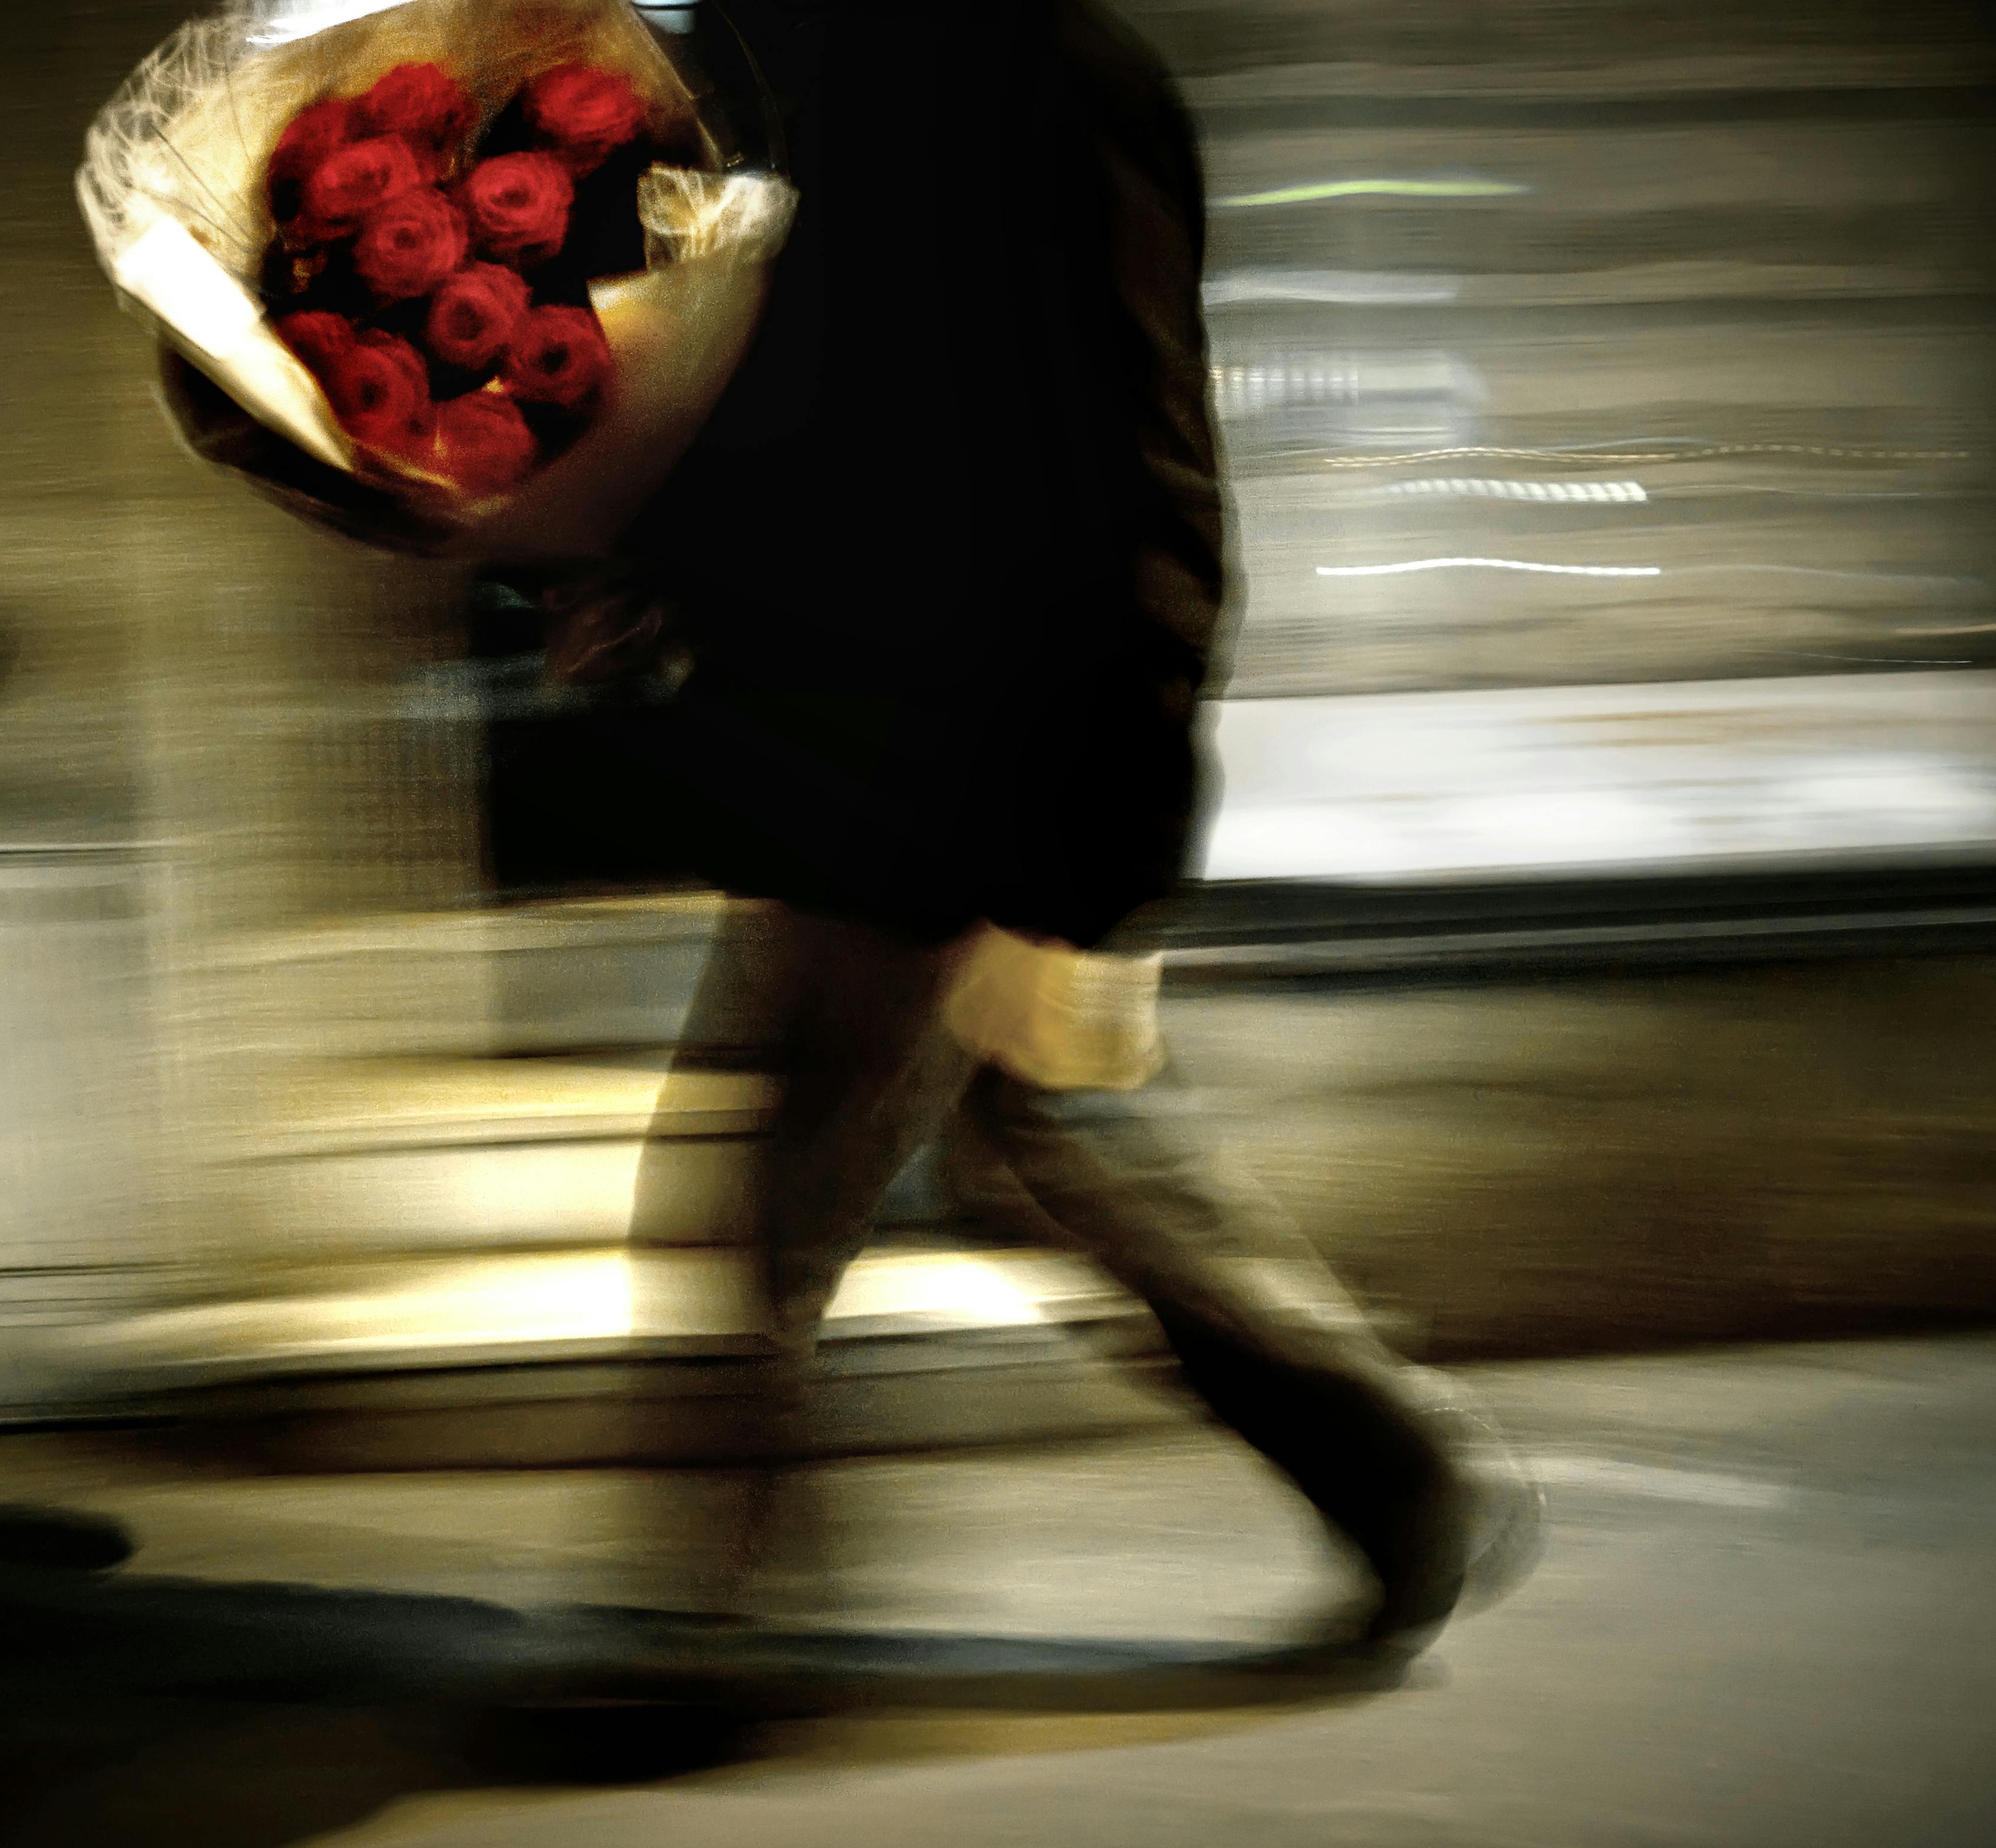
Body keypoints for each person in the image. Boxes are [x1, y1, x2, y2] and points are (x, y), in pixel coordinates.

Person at [589, 0, 1529, 1652]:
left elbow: (1139, 468)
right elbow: (790, 421)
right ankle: (1396, 1467)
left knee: (765, 1200)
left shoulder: (1043, 75)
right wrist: (637, 556)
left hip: (983, 753)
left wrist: (1110, 827)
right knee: (1048, 1153)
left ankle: (715, 1626)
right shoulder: (777, 80)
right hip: (855, 745)